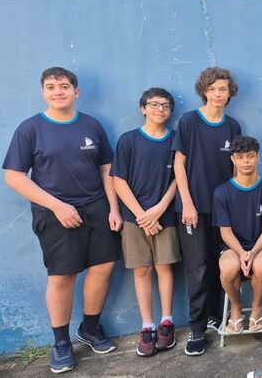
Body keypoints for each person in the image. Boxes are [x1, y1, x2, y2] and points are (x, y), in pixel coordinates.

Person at [3, 67, 122, 373]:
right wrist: (57, 206)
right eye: (51, 87)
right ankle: (61, 342)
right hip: (55, 212)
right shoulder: (30, 129)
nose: (58, 91)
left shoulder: (91, 125)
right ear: (44, 92)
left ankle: (91, 328)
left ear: (76, 92)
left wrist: (113, 208)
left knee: (103, 266)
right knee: (62, 276)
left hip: (96, 207)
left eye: (64, 86)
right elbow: (14, 176)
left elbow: (106, 168)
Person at [172, 67, 241, 356]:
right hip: (193, 209)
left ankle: (216, 315)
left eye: (223, 89)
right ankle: (198, 329)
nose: (218, 94)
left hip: (223, 210)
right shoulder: (189, 121)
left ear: (229, 93)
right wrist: (187, 203)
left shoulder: (233, 126)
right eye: (213, 89)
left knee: (220, 264)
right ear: (204, 91)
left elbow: (237, 168)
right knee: (198, 268)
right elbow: (178, 164)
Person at [111, 88, 180, 357]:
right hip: (134, 218)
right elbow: (118, 180)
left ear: (170, 111)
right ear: (143, 108)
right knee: (141, 271)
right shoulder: (128, 141)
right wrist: (142, 214)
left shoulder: (175, 141)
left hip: (165, 217)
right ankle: (147, 325)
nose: (159, 109)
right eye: (154, 104)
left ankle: (166, 322)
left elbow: (178, 178)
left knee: (164, 267)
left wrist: (159, 209)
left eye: (165, 105)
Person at [213, 136, 262, 333]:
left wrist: (252, 252)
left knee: (261, 266)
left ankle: (256, 309)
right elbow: (225, 232)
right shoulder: (222, 192)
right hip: (233, 246)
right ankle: (236, 309)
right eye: (240, 157)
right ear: (233, 160)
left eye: (250, 156)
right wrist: (242, 252)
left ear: (257, 157)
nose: (246, 161)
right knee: (228, 268)